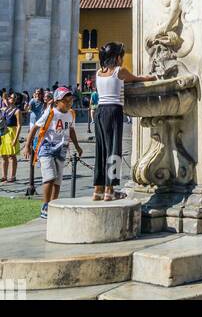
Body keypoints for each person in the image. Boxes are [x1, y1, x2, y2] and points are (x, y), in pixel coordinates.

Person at [93, 42, 153, 201]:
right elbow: (137, 79)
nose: (123, 60)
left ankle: (97, 190)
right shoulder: (120, 71)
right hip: (113, 110)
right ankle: (110, 190)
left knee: (101, 151)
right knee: (114, 150)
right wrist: (152, 77)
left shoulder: (99, 72)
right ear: (117, 58)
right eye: (122, 57)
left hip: (99, 112)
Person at [22, 85, 83, 219]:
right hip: (47, 147)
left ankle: (53, 205)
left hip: (62, 149)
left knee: (57, 180)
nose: (69, 103)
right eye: (65, 101)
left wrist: (77, 146)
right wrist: (27, 146)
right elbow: (35, 128)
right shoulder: (51, 113)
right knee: (49, 177)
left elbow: (71, 130)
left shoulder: (71, 114)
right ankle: (45, 205)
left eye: (70, 101)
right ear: (57, 102)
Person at [0, 92, 24, 182]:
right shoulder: (5, 109)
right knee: (3, 155)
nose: (11, 99)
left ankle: (12, 176)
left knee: (11, 156)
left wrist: (16, 138)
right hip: (4, 133)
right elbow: (4, 98)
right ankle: (4, 176)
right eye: (10, 97)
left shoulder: (17, 111)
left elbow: (19, 125)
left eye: (14, 98)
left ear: (16, 100)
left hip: (12, 133)